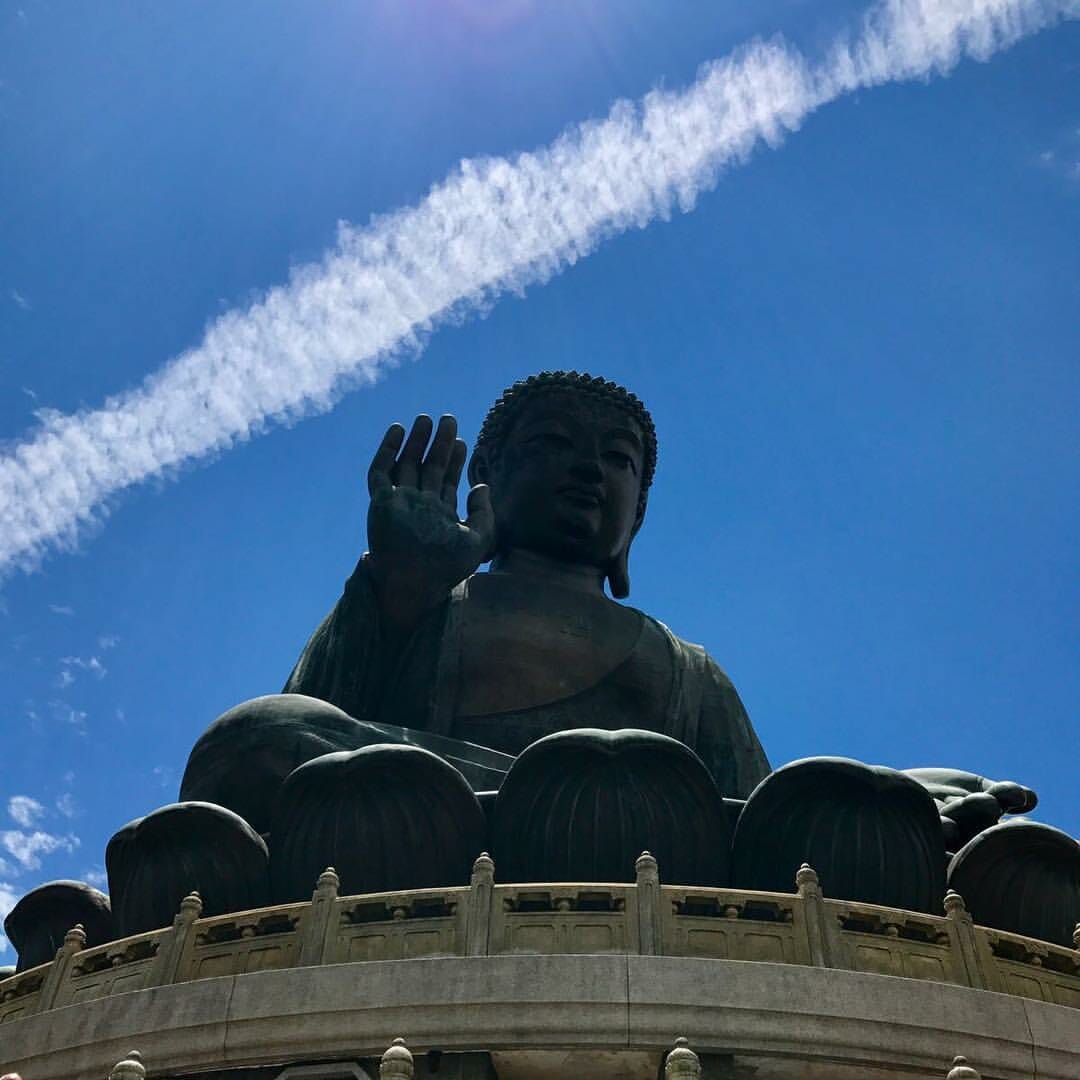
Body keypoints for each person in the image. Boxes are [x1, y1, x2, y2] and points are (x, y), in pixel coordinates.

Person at [285, 371, 769, 799]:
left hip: (631, 843)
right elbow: (306, 726)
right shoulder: (425, 600)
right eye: (555, 442)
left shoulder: (687, 669)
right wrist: (399, 587)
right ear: (485, 474)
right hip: (417, 818)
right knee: (264, 733)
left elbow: (755, 821)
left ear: (638, 511)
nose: (589, 468)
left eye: (618, 458)